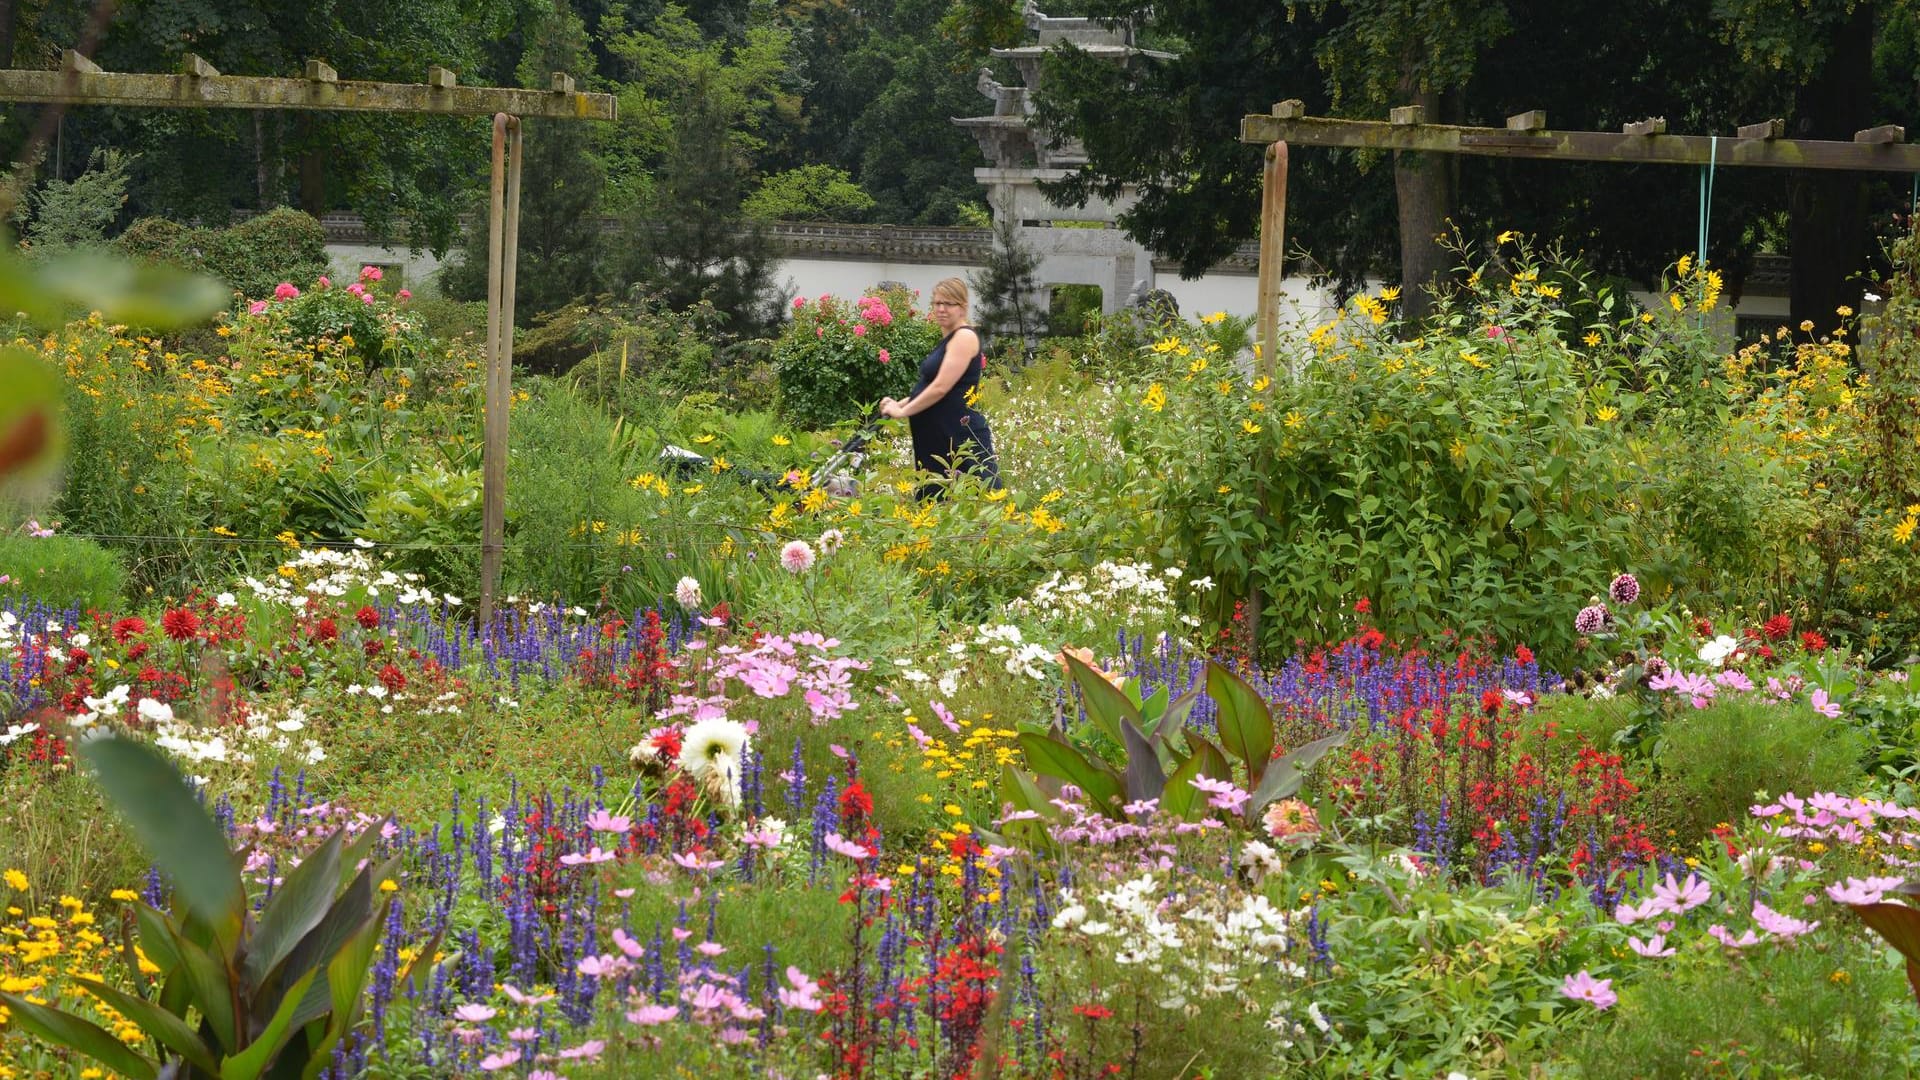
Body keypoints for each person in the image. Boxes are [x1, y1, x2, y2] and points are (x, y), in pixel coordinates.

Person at [879, 278, 1002, 499]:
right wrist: (899, 403)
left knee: (976, 505)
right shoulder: (948, 340)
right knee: (935, 507)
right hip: (938, 440)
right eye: (937, 303)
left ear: (963, 307)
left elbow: (941, 388)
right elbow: (928, 387)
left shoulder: (964, 337)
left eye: (948, 303)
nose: (941, 309)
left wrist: (903, 412)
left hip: (959, 439)